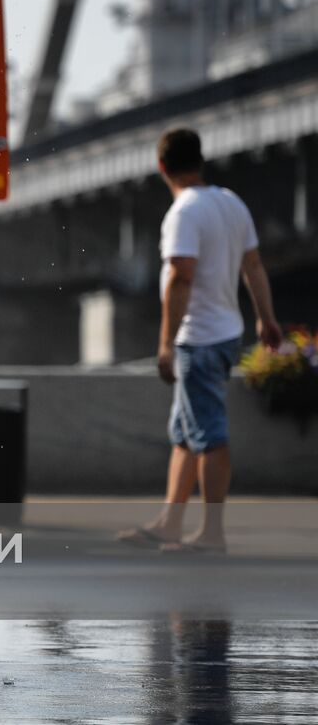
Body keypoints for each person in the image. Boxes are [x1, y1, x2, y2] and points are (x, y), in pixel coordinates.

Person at [118, 128, 281, 554]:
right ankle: (170, 523)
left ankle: (211, 533)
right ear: (200, 161)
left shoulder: (184, 212)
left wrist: (166, 343)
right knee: (186, 434)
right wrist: (266, 319)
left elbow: (181, 276)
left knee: (208, 433)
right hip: (225, 332)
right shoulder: (230, 202)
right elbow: (254, 265)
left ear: (161, 167)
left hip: (200, 339)